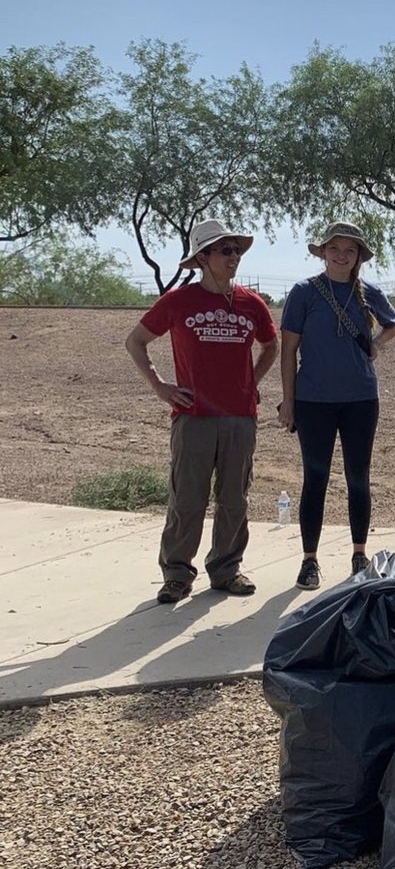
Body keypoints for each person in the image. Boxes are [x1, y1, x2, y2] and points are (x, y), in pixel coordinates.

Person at [125, 218, 278, 605]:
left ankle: (226, 569)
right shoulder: (179, 302)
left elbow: (270, 345)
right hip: (193, 417)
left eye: (236, 250)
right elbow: (136, 341)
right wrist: (160, 386)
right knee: (188, 498)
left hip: (240, 417)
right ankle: (176, 574)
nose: (234, 257)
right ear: (203, 257)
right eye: (224, 250)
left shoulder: (251, 302)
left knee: (234, 497)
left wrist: (251, 382)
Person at [278, 222, 395, 591]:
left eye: (350, 250)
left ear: (359, 255)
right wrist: (289, 400)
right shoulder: (304, 292)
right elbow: (288, 351)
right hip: (313, 399)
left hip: (361, 398)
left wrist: (375, 344)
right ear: (324, 252)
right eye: (335, 248)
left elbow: (394, 323)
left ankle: (359, 553)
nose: (341, 255)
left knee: (358, 476)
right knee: (315, 479)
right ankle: (309, 560)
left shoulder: (368, 292)